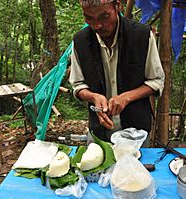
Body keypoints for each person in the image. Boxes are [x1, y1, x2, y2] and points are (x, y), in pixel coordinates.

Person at [69, 0, 165, 144]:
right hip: (98, 132)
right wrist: (93, 97)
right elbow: (78, 85)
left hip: (136, 134)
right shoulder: (80, 41)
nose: (97, 25)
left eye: (104, 17)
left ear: (117, 6)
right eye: (89, 18)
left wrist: (126, 97)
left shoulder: (142, 36)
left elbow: (156, 81)